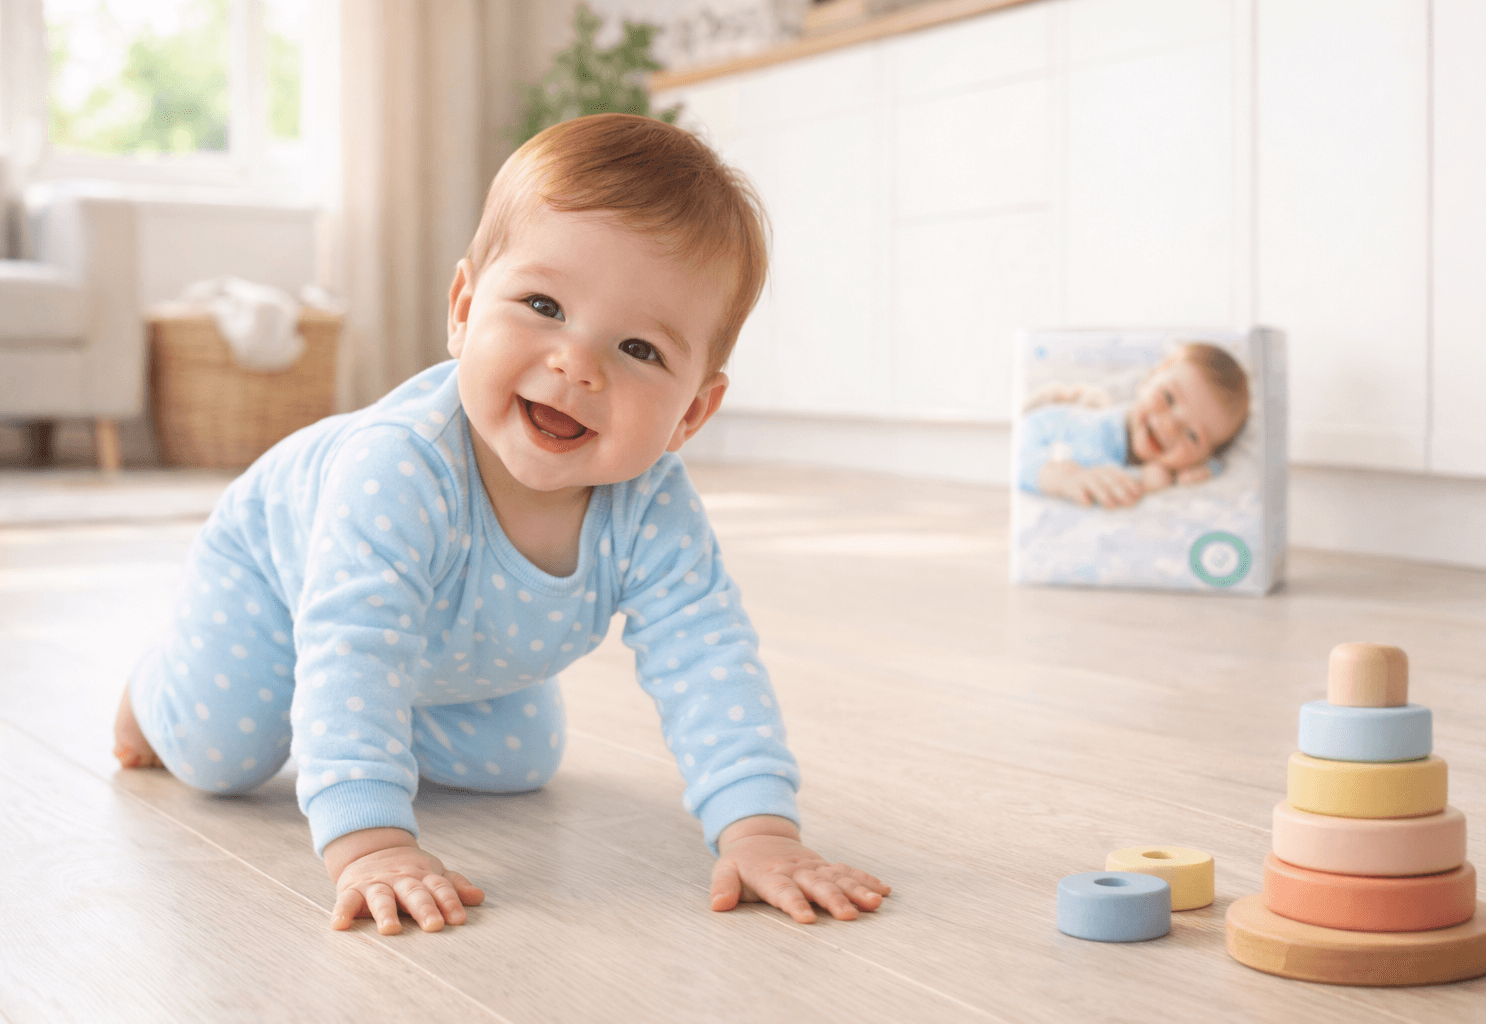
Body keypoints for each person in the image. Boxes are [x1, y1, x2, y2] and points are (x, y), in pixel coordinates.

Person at [113, 113, 890, 935]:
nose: (576, 364)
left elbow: (710, 662)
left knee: (517, 764)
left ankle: (391, 720)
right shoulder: (399, 469)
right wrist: (371, 843)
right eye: (543, 304)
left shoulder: (654, 507)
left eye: (639, 349)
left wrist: (760, 830)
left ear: (692, 413)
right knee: (220, 754)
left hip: (448, 647)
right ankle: (147, 697)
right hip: (276, 576)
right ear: (463, 307)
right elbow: (355, 649)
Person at [1016, 342, 1249, 508]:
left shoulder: (1184, 464)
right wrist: (1063, 478)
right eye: (1168, 398)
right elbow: (1021, 456)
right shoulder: (1096, 431)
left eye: (1193, 436)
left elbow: (1220, 463)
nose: (1169, 427)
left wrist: (1202, 470)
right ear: (1148, 379)